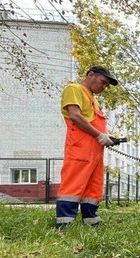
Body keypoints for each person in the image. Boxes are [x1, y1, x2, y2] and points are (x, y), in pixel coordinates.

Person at [55, 66, 118, 228]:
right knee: (73, 183)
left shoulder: (93, 99)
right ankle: (64, 222)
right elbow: (75, 115)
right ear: (90, 75)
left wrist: (106, 136)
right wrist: (99, 135)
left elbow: (92, 121)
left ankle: (91, 220)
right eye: (103, 83)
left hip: (95, 151)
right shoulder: (74, 89)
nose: (103, 88)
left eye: (106, 86)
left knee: (93, 186)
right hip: (80, 148)